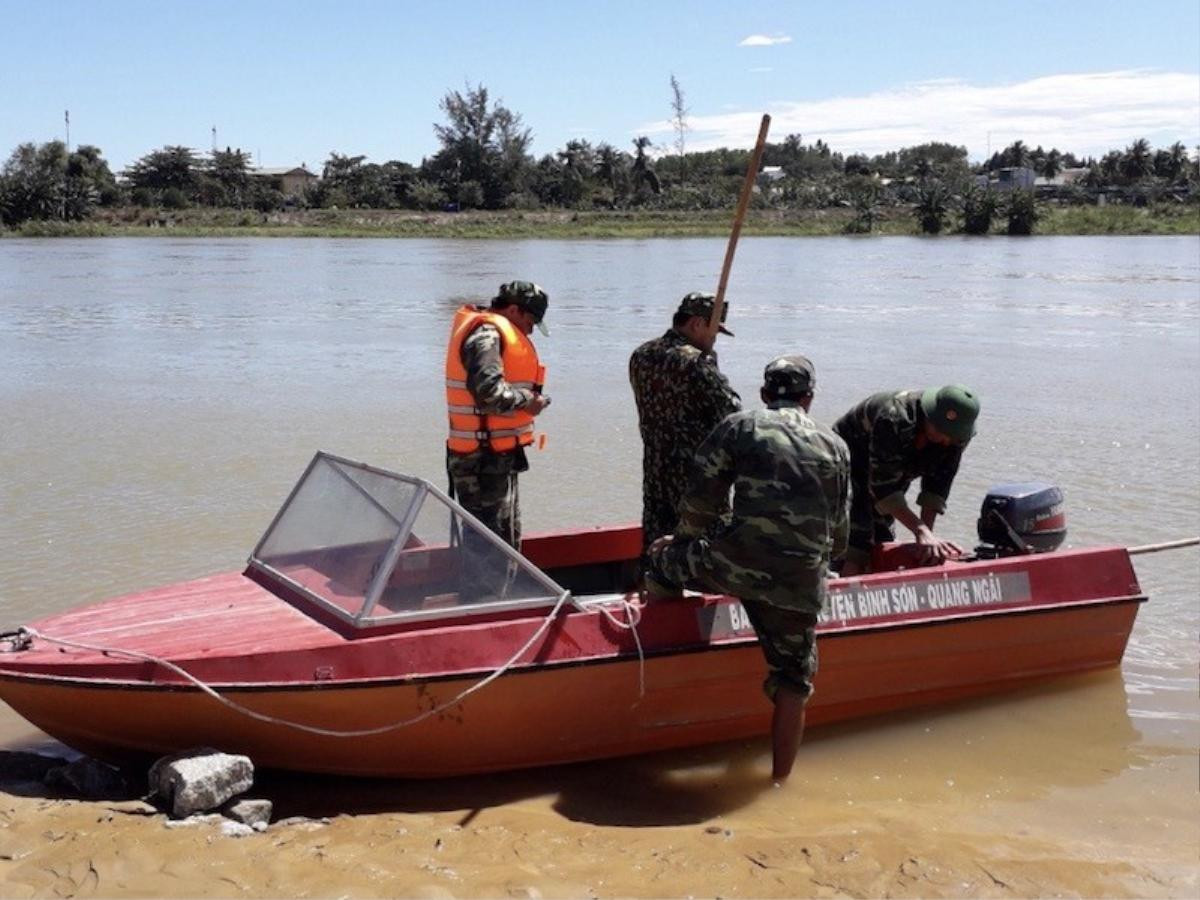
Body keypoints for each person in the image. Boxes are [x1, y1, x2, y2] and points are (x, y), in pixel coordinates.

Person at [646, 356, 850, 782]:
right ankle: (779, 782)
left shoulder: (741, 426)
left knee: (661, 562)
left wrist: (680, 542)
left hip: (736, 564)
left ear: (763, 394)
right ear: (809, 398)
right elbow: (840, 532)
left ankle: (660, 660)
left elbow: (701, 499)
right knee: (794, 680)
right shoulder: (836, 445)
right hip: (799, 581)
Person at [628, 291, 741, 563]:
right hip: (697, 475)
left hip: (656, 467)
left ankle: (653, 591)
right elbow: (732, 412)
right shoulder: (697, 362)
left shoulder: (641, 354)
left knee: (657, 541)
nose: (714, 340)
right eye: (713, 332)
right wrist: (712, 363)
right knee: (703, 544)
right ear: (696, 324)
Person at [444, 281, 551, 552]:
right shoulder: (487, 334)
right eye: (531, 321)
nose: (531, 330)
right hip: (481, 462)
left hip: (495, 457)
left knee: (503, 543)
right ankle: (483, 596)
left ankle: (502, 594)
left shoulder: (495, 331)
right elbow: (488, 393)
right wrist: (529, 401)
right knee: (487, 549)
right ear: (514, 310)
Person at [832, 385, 980, 576]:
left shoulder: (956, 436)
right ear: (929, 418)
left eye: (954, 437)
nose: (948, 442)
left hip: (896, 464)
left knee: (882, 536)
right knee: (858, 536)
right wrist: (920, 531)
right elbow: (883, 489)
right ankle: (845, 587)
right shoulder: (894, 417)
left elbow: (936, 489)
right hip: (850, 459)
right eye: (944, 433)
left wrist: (927, 539)